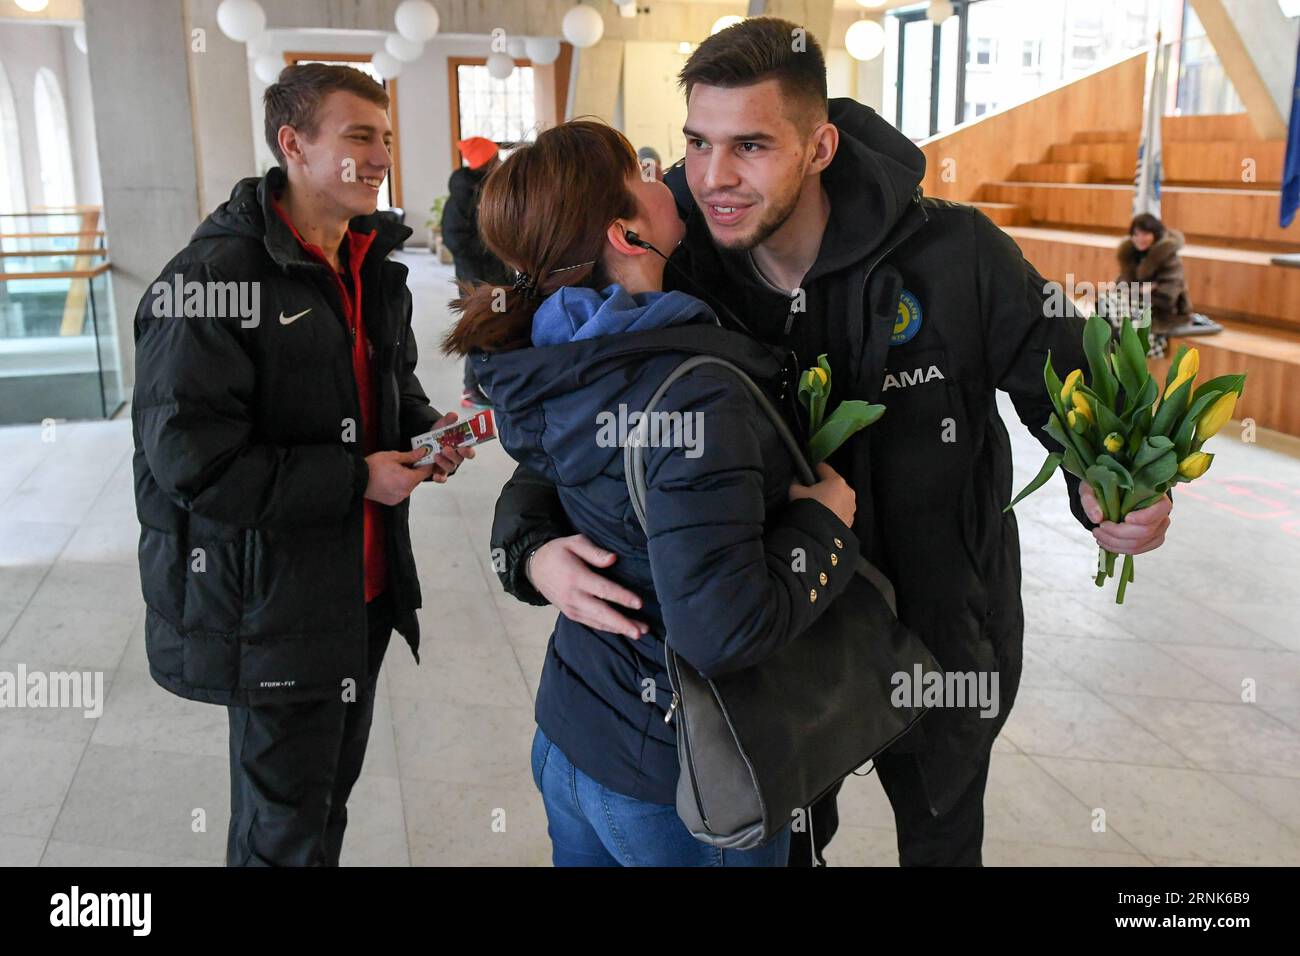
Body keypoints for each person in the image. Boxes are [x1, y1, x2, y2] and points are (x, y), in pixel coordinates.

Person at [489, 17, 1173, 867]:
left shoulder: (956, 254)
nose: (713, 178)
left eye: (750, 146)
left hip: (940, 639)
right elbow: (572, 430)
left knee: (941, 845)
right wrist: (531, 547)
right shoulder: (683, 267)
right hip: (783, 653)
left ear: (819, 146)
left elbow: (1077, 393)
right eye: (696, 144)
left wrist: (1113, 491)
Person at [444, 119, 863, 867]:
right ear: (626, 236)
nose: (668, 171)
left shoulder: (557, 349)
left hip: (575, 734)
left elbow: (556, 479)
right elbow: (722, 631)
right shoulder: (689, 393)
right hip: (678, 778)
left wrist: (529, 550)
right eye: (643, 170)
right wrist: (821, 526)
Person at [131, 63, 473, 866]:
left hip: (362, 594)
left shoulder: (370, 266)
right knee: (282, 831)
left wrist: (428, 433)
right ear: (293, 144)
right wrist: (359, 478)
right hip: (272, 608)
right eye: (360, 136)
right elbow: (195, 463)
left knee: (323, 810)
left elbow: (388, 386)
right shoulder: (209, 282)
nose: (382, 154)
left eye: (386, 137)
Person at [441, 135, 513, 408]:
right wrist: (492, 245)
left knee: (499, 327)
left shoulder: (486, 187)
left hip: (496, 271)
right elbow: (455, 240)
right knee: (481, 328)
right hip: (476, 275)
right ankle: (471, 389)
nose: (499, 162)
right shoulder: (463, 195)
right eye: (495, 158)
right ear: (486, 163)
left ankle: (494, 384)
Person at [1117, 212, 1221, 351]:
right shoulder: (1130, 255)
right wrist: (1141, 291)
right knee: (1105, 313)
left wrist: (1135, 293)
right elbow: (1120, 288)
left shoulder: (1169, 258)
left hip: (1167, 315)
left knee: (1131, 328)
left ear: (1155, 233)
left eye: (1145, 234)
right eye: (1136, 234)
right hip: (1139, 308)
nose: (1140, 239)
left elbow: (1167, 298)